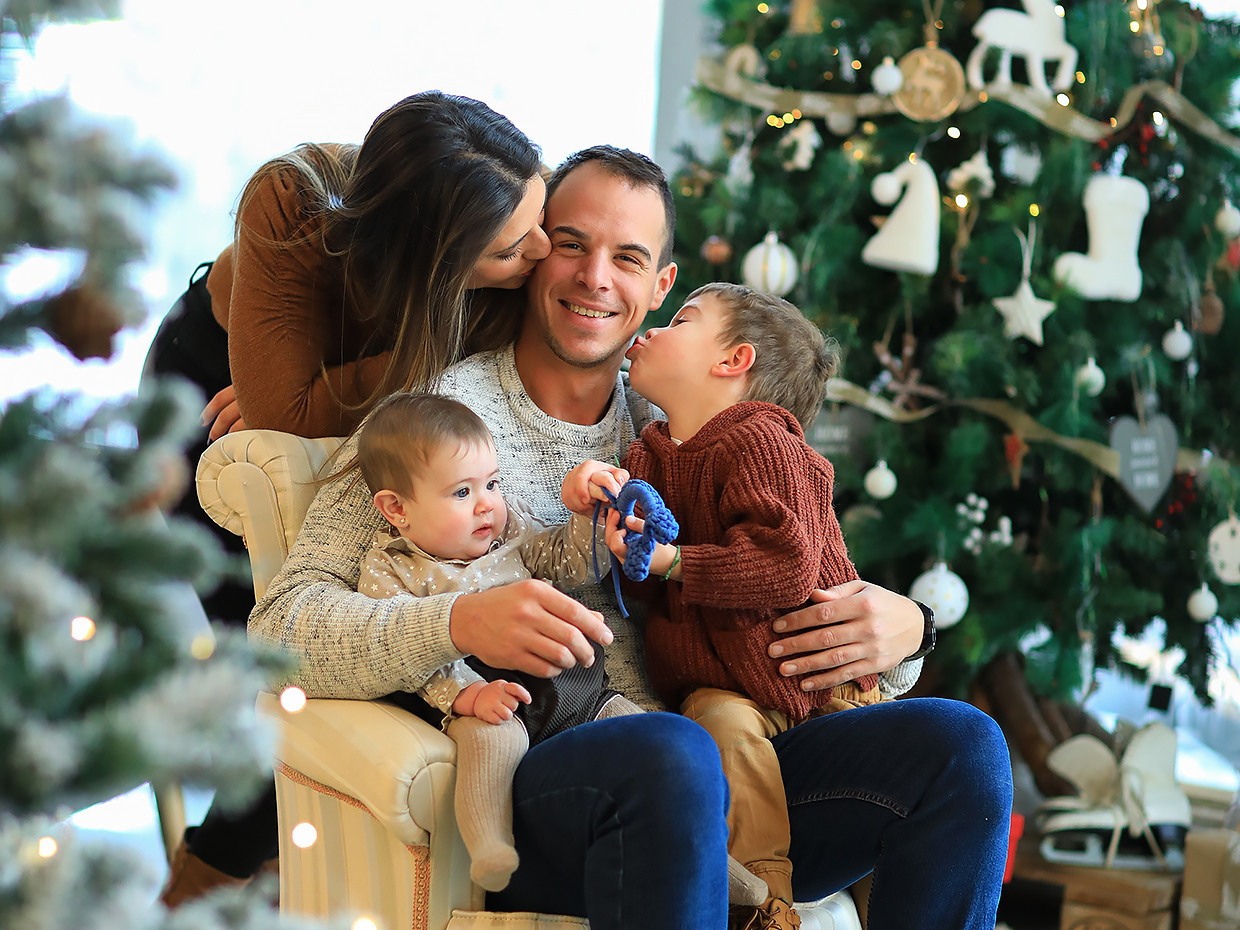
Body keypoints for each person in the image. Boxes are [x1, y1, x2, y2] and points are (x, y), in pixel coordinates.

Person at [250, 144, 1014, 930]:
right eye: (573, 244)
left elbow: (780, 606)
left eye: (629, 257)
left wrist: (905, 634)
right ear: (536, 252)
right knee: (673, 751)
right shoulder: (434, 421)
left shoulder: (696, 423)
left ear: (661, 287)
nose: (594, 278)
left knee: (965, 745)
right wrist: (456, 622)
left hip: (736, 782)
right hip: (557, 779)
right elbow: (279, 632)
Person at [146, 90, 551, 906]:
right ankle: (184, 901)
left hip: (334, 397)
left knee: (381, 671)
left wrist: (320, 389)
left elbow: (302, 400)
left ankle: (272, 877)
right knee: (290, 691)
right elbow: (278, 418)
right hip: (206, 397)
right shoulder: (293, 203)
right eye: (512, 250)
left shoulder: (493, 220)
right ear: (439, 266)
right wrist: (419, 348)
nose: (542, 250)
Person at [572, 282, 887, 928]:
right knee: (722, 732)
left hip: (821, 684)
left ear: (733, 361)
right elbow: (639, 585)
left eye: (682, 320)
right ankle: (765, 901)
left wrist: (677, 561)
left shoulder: (762, 440)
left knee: (883, 843)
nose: (655, 328)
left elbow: (784, 564)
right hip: (728, 689)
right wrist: (614, 526)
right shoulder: (650, 455)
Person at [355, 392, 641, 891]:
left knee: (654, 742)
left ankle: (731, 875)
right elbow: (408, 654)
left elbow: (569, 563)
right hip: (489, 701)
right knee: (489, 743)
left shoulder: (508, 529)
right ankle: (489, 846)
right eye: (462, 493)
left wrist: (590, 522)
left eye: (492, 483)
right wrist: (468, 695)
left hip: (582, 695)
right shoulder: (393, 570)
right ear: (397, 508)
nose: (488, 502)